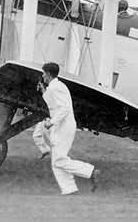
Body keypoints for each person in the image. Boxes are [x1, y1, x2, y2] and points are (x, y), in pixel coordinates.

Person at [37, 62, 99, 195]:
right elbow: (54, 105)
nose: (42, 76)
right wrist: (44, 92)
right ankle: (69, 189)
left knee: (59, 159)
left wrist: (51, 122)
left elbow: (63, 109)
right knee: (57, 161)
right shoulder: (55, 87)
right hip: (62, 126)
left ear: (48, 74)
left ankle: (90, 171)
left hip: (64, 126)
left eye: (43, 73)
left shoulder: (56, 88)